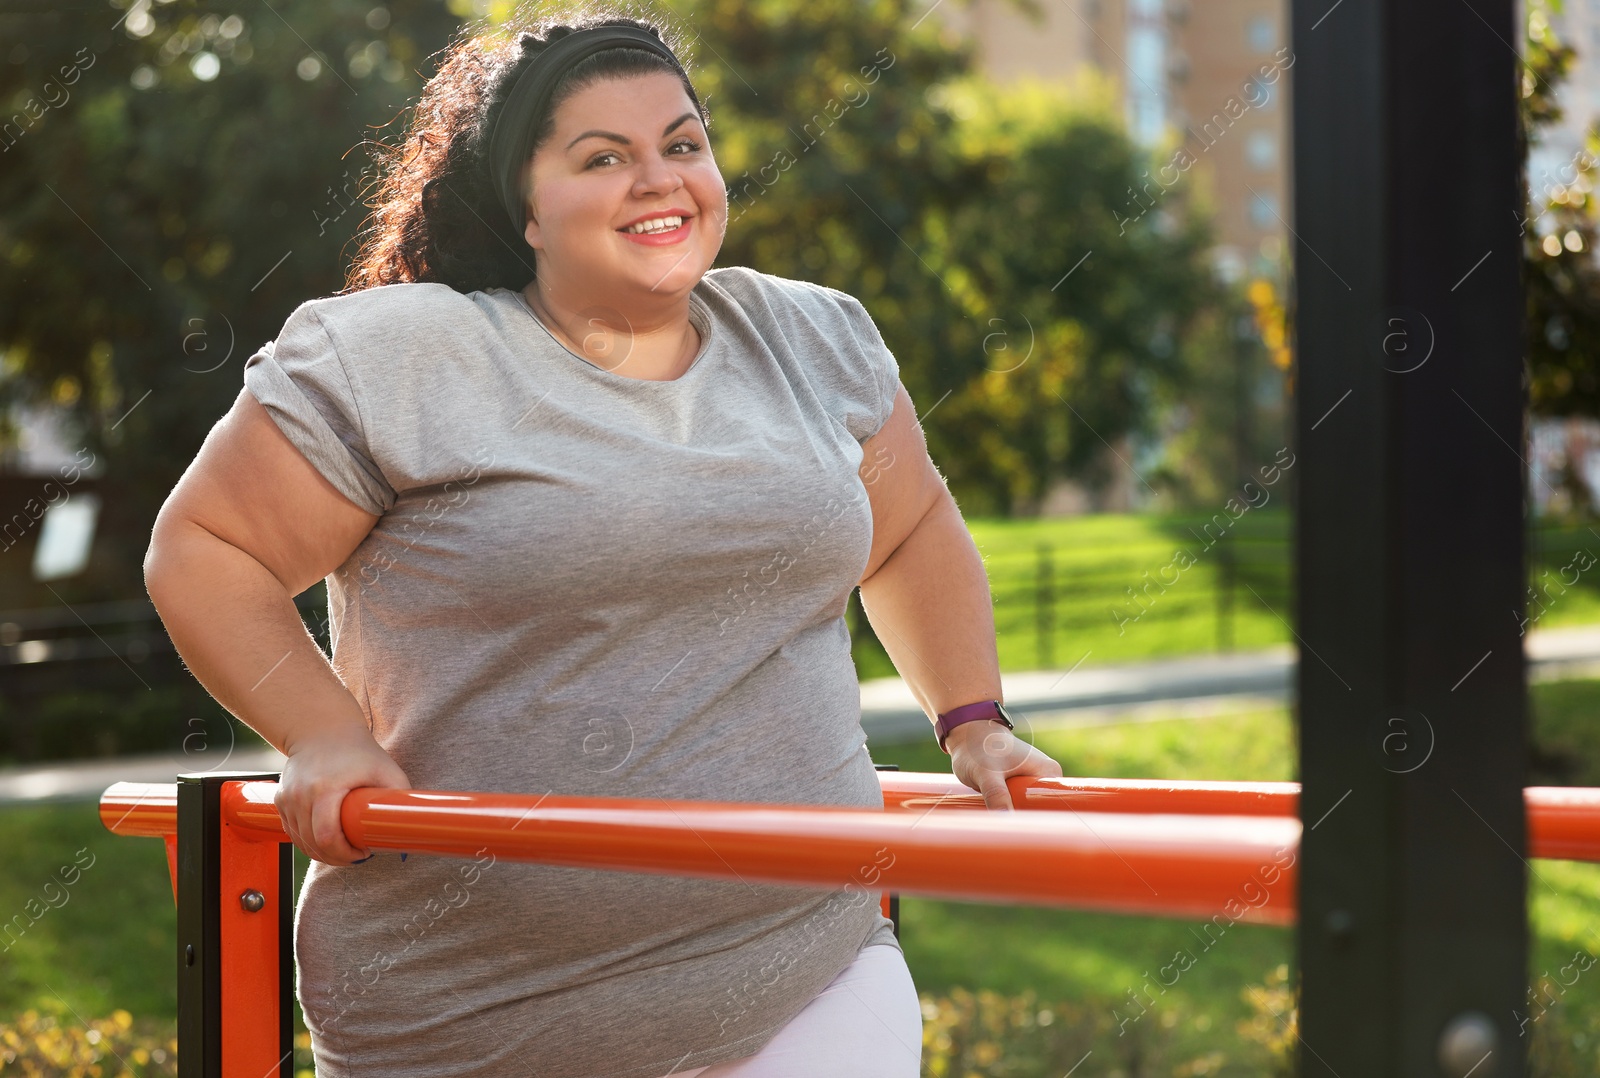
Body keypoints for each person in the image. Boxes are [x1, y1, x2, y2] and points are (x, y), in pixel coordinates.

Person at [142, 9, 1064, 1078]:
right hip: (470, 1017)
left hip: (806, 974)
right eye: (602, 157)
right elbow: (206, 549)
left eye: (682, 145)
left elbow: (907, 534)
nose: (660, 180)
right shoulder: (402, 358)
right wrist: (324, 734)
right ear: (522, 206)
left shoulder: (813, 336)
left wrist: (972, 722)